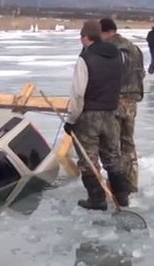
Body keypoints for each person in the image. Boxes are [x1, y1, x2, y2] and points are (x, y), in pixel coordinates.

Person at [63, 20, 130, 210]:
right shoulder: (116, 55)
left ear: (86, 37)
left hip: (89, 117)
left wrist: (71, 120)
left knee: (88, 160)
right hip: (111, 113)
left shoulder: (85, 59)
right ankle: (122, 196)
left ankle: (97, 199)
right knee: (113, 156)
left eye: (81, 37)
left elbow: (78, 94)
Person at [100, 18, 145, 194]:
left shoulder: (110, 50)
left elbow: (105, 77)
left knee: (113, 145)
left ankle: (119, 186)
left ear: (105, 32)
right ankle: (132, 182)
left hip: (115, 101)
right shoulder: (134, 48)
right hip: (132, 101)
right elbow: (141, 73)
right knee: (128, 143)